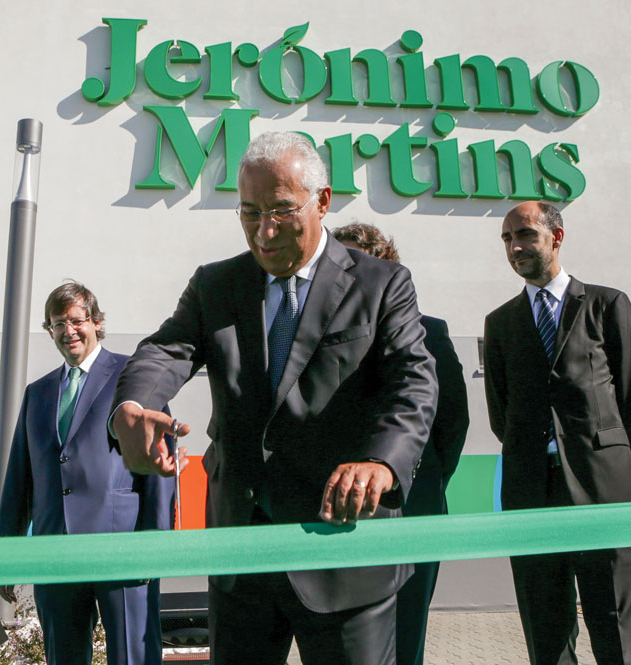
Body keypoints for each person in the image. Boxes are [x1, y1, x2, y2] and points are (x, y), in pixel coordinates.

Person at [110, 131, 438, 665]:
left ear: (323, 202)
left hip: (345, 551)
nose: (263, 232)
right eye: (248, 212)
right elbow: (166, 350)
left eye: (282, 211)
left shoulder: (381, 285)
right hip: (242, 557)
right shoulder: (216, 285)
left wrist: (382, 462)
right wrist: (130, 406)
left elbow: (414, 382)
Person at [484, 201, 631, 665]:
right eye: (507, 239)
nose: (515, 247)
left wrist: (599, 454)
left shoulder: (607, 304)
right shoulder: (499, 324)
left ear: (556, 237)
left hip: (604, 491)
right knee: (545, 627)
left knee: (615, 624)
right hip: (532, 492)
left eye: (525, 235)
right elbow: (503, 416)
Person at [0, 281, 172, 665]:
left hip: (123, 552)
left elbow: (159, 469)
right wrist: (4, 555)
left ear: (97, 322)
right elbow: (19, 482)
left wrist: (154, 545)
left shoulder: (133, 376)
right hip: (55, 555)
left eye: (77, 321)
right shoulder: (37, 393)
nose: (68, 331)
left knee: (134, 658)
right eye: (58, 324)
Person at [332, 223, 469, 665]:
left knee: (406, 633)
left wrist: (416, 477)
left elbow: (451, 423)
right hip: (340, 511)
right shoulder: (315, 335)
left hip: (414, 508)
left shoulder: (429, 331)